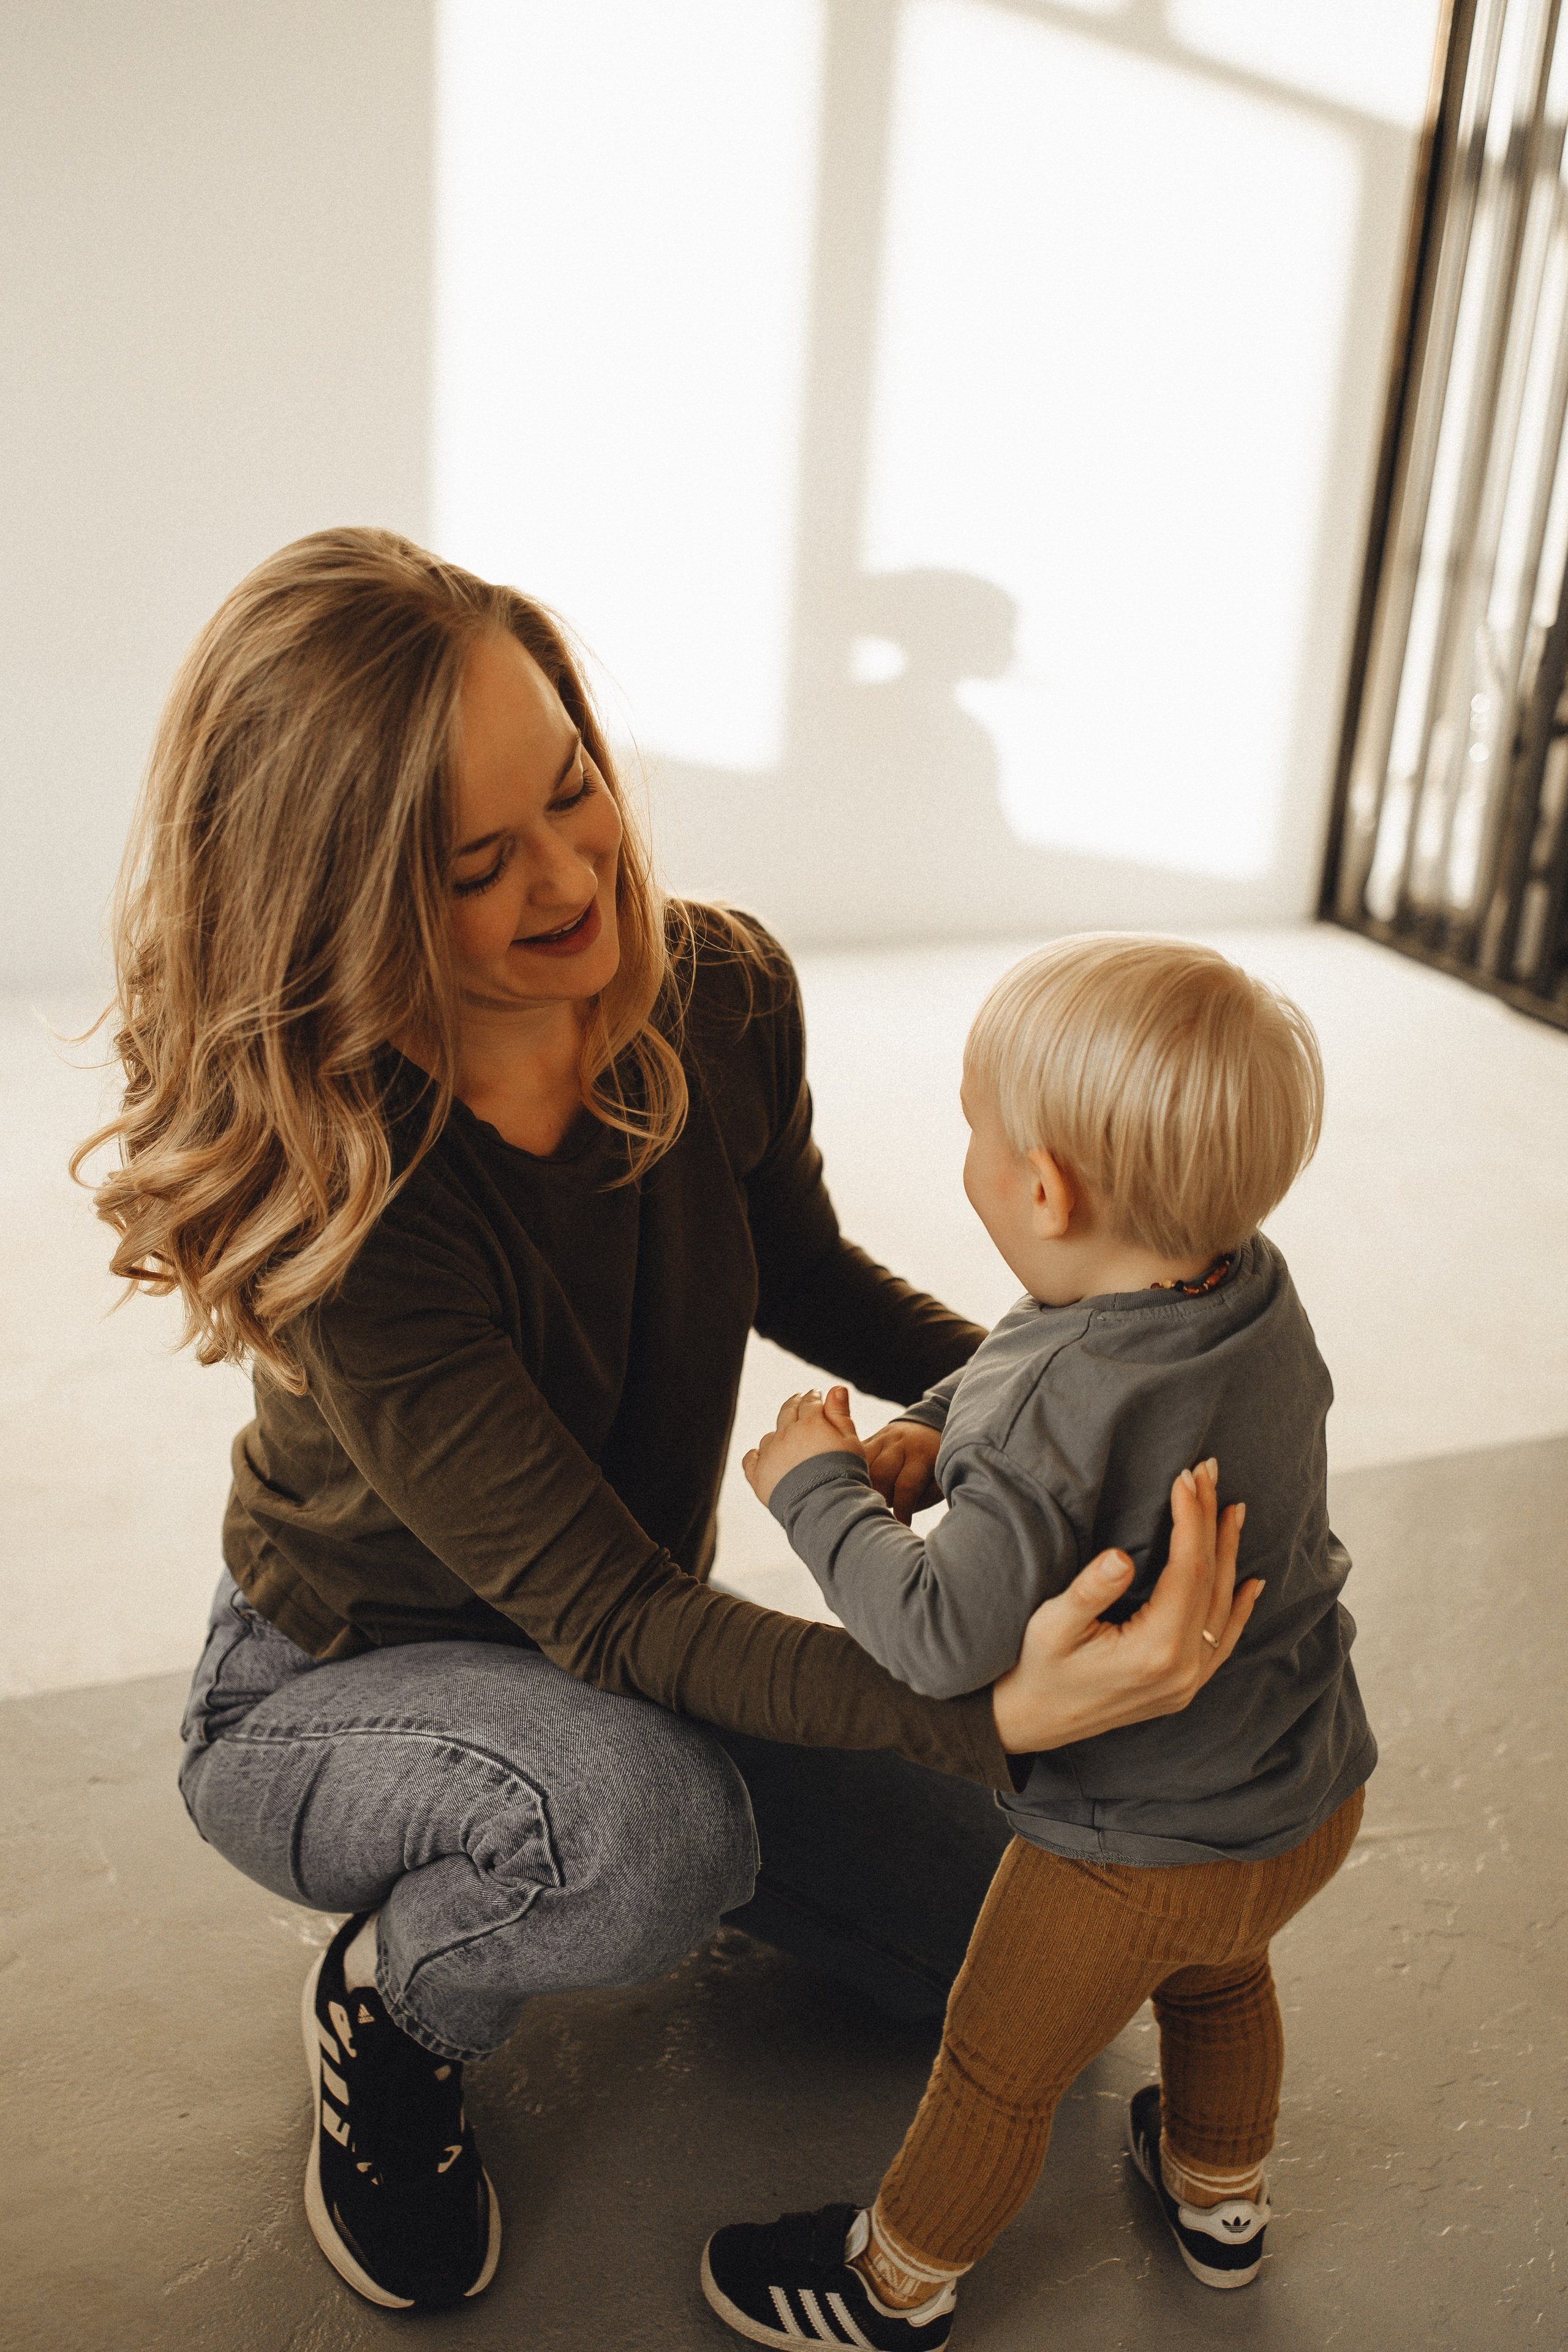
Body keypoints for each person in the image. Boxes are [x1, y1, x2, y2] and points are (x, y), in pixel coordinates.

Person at [77, 530, 1256, 2316]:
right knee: (648, 1832)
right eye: (480, 865)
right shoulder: (364, 1213)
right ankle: (398, 1999)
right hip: (337, 1692)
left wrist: (1091, 1401)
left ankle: (621, 1827)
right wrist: (989, 1714)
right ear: (347, 905)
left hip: (620, 1655)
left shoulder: (713, 992)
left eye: (574, 793)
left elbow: (810, 1274)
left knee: (1001, 1956)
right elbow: (621, 1618)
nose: (573, 877)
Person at [702, 934, 1375, 2346]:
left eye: (972, 1127)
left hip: (1121, 1852)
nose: (967, 1149)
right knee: (1225, 1968)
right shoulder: (1247, 1288)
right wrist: (939, 1433)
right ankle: (1217, 2195)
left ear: (1042, 1186)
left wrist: (814, 1489)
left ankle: (894, 2284)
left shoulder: (1047, 1408)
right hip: (1302, 1791)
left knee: (995, 2068)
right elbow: (1043, 1366)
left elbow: (938, 1636)